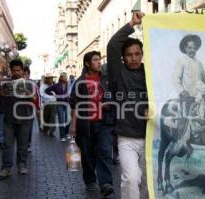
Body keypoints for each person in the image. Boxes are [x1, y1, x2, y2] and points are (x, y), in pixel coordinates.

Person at [107, 12, 149, 199]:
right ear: (123, 58)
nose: (133, 58)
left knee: (148, 183)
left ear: (142, 54)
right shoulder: (117, 74)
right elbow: (113, 45)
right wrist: (132, 23)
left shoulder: (151, 73)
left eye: (137, 54)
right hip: (126, 138)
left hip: (150, 137)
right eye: (129, 55)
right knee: (131, 179)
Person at [69, 51, 115, 198]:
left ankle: (106, 184)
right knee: (88, 155)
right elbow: (74, 105)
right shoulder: (80, 82)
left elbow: (114, 98)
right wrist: (73, 125)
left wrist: (109, 104)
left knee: (104, 152)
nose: (99, 62)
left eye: (99, 59)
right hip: (85, 124)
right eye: (95, 60)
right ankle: (89, 180)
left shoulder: (106, 80)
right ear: (87, 63)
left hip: (104, 123)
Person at [0, 59, 35, 178]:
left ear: (23, 70)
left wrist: (29, 94)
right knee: (7, 144)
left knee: (23, 145)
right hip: (9, 119)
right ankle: (6, 168)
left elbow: (35, 100)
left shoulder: (29, 83)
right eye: (14, 70)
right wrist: (1, 95)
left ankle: (22, 165)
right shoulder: (4, 83)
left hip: (24, 119)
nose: (16, 73)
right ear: (11, 71)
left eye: (18, 70)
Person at [45, 72, 70, 141]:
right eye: (65, 77)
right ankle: (62, 136)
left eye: (66, 76)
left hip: (67, 104)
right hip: (59, 104)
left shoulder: (68, 84)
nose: (66, 78)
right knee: (61, 120)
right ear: (61, 78)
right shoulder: (56, 85)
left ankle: (66, 133)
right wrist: (53, 95)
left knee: (68, 120)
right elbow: (46, 90)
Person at [23, 67, 41, 152]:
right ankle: (22, 145)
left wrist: (38, 108)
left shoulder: (33, 84)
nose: (24, 76)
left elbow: (37, 97)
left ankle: (28, 144)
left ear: (29, 75)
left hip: (29, 110)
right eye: (23, 74)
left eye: (26, 74)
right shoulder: (15, 83)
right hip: (16, 111)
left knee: (28, 129)